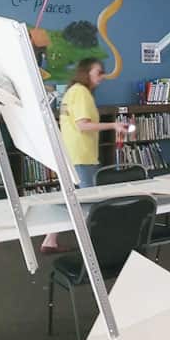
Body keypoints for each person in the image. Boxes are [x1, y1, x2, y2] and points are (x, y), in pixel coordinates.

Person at [40, 58, 132, 254]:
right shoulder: (81, 93)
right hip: (81, 155)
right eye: (98, 72)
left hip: (70, 154)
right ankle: (96, 246)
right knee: (91, 202)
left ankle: (50, 240)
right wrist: (114, 125)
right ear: (86, 73)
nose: (102, 77)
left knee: (70, 199)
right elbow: (83, 125)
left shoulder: (70, 92)